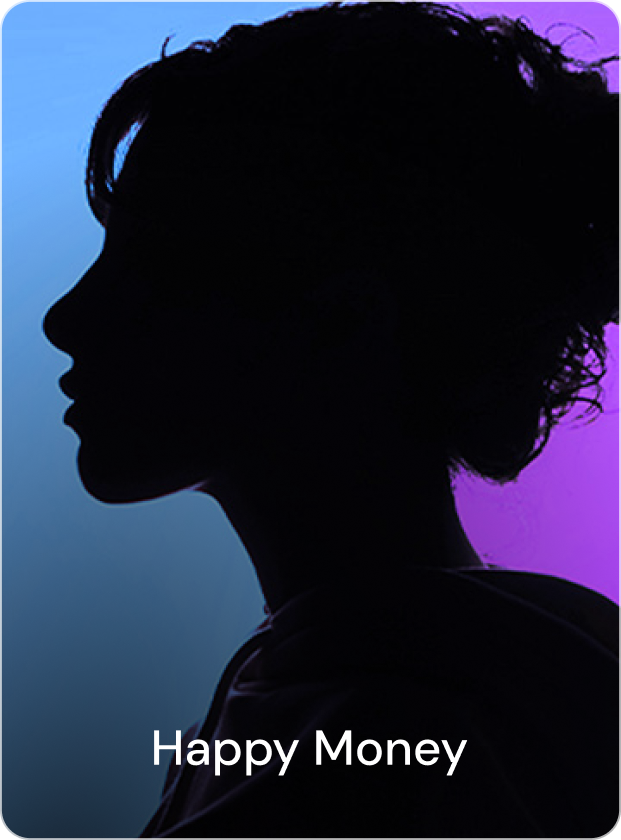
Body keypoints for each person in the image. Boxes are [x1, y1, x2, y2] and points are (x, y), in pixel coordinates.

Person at [43, 2, 618, 836]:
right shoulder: (461, 689)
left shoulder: (382, 764)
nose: (68, 316)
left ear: (340, 321)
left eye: (149, 263)